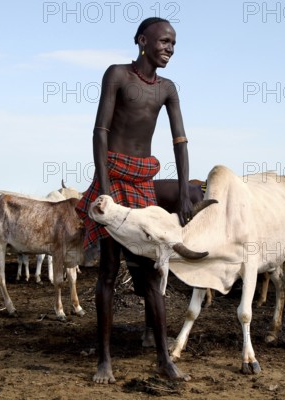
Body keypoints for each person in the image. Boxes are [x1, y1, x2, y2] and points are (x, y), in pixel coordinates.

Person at [76, 17, 192, 384]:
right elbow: (100, 131)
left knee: (151, 271)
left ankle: (162, 357)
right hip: (113, 176)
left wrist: (186, 193)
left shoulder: (167, 88)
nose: (169, 48)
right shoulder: (118, 75)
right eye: (163, 41)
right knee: (109, 271)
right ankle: (105, 360)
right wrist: (105, 187)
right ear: (142, 40)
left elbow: (180, 142)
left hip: (143, 178)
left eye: (173, 43)